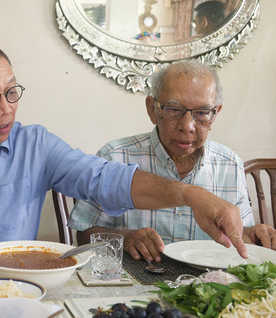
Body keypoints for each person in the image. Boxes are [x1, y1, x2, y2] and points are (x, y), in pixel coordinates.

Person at [0, 40, 249, 261]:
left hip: (15, 294)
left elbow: (106, 179)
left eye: (12, 92)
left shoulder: (37, 145)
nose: (7, 108)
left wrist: (190, 195)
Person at [68, 61, 276, 263]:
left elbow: (241, 235)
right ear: (152, 109)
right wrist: (125, 238)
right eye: (174, 110)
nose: (187, 126)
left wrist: (254, 234)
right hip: (135, 285)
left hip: (206, 288)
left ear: (215, 114)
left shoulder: (230, 164)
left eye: (202, 113)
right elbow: (85, 235)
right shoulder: (115, 156)